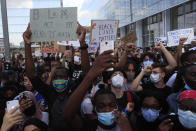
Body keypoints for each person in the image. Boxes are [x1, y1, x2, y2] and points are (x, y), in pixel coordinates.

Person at [23, 23, 90, 130]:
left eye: (62, 77)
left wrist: (82, 43)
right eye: (56, 77)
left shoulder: (74, 92)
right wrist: (27, 45)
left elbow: (86, 74)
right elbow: (31, 75)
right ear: (52, 79)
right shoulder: (49, 93)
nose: (59, 80)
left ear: (68, 79)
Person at [64, 50, 133, 131]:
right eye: (101, 106)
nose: (107, 110)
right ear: (95, 109)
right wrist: (91, 73)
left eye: (111, 105)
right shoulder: (89, 126)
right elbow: (68, 116)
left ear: (116, 106)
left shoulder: (125, 125)